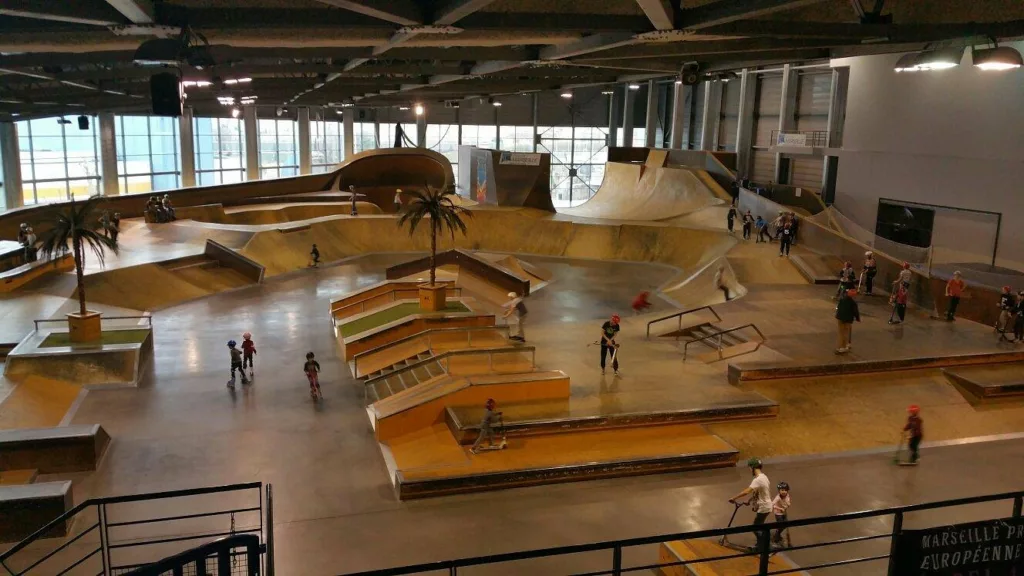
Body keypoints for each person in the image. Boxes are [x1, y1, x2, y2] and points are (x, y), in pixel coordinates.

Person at [729, 457, 773, 553]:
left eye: (749, 467)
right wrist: (749, 501)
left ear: (752, 467)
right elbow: (757, 493)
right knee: (759, 526)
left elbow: (747, 491)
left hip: (764, 507)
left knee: (755, 528)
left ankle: (765, 547)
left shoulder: (758, 480)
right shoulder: (764, 477)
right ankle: (761, 545)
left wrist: (734, 498)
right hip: (767, 506)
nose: (749, 470)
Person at [835, 288, 860, 354]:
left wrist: (838, 314)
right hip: (847, 319)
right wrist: (858, 318)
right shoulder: (853, 303)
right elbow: (855, 312)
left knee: (841, 333)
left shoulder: (842, 299)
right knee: (846, 333)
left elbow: (838, 307)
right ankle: (843, 347)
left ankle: (839, 347)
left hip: (840, 318)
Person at [771, 481, 792, 548]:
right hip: (778, 513)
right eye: (782, 490)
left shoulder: (787, 495)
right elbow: (772, 505)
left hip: (784, 512)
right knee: (781, 525)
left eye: (785, 490)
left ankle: (778, 534)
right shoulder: (777, 498)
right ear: (779, 491)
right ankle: (775, 539)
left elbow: (788, 502)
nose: (784, 492)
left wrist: (787, 505)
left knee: (785, 524)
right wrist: (780, 508)